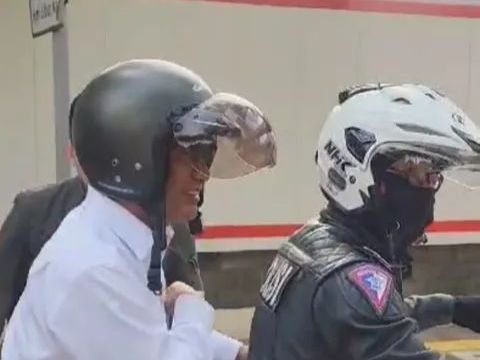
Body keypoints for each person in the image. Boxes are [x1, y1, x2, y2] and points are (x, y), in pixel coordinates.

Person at [1, 59, 276, 360]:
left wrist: (238, 353)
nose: (203, 173)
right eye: (192, 153)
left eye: (207, 154)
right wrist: (189, 306)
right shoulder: (92, 269)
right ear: (137, 155)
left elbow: (147, 339)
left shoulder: (121, 242)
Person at [248, 83, 480, 360]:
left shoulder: (315, 241)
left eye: (433, 176)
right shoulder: (349, 279)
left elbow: (376, 314)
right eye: (417, 174)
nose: (428, 189)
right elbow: (367, 313)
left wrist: (455, 308)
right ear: (364, 174)